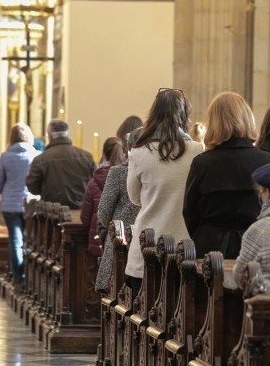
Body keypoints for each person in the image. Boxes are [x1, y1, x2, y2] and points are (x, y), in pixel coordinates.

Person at [127, 89, 205, 296]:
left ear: (154, 114)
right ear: (184, 115)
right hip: (186, 249)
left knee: (143, 315)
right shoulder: (198, 150)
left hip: (148, 245)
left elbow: (134, 197)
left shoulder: (139, 152)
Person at [183, 92, 270, 259]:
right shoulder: (269, 161)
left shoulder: (202, 164)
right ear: (248, 119)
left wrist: (205, 236)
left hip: (210, 250)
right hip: (258, 248)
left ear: (213, 123)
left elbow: (190, 213)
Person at [95, 133, 141, 293]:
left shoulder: (119, 172)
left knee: (117, 291)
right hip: (148, 240)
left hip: (120, 240)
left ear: (128, 148)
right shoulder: (159, 172)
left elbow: (103, 212)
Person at [0, 123, 39, 285]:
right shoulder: (36, 155)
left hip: (10, 205)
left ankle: (18, 277)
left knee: (15, 241)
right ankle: (31, 276)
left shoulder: (5, 156)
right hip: (31, 203)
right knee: (31, 240)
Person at [26, 119, 95, 209]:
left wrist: (46, 190)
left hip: (52, 212)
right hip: (81, 210)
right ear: (66, 133)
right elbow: (94, 183)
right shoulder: (86, 156)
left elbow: (32, 187)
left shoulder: (41, 159)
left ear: (49, 135)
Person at [80, 137, 125, 264]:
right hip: (121, 239)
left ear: (104, 154)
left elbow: (85, 217)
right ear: (123, 154)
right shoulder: (127, 180)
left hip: (99, 239)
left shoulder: (94, 182)